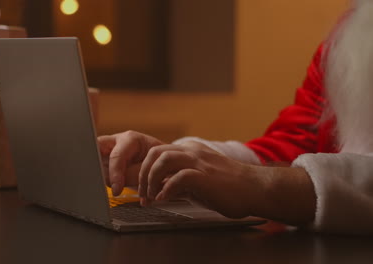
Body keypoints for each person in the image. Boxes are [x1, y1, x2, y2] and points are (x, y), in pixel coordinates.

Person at [98, 0, 373, 235]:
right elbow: (293, 144)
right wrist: (178, 158)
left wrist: (258, 184)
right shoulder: (351, 34)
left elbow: (265, 179)